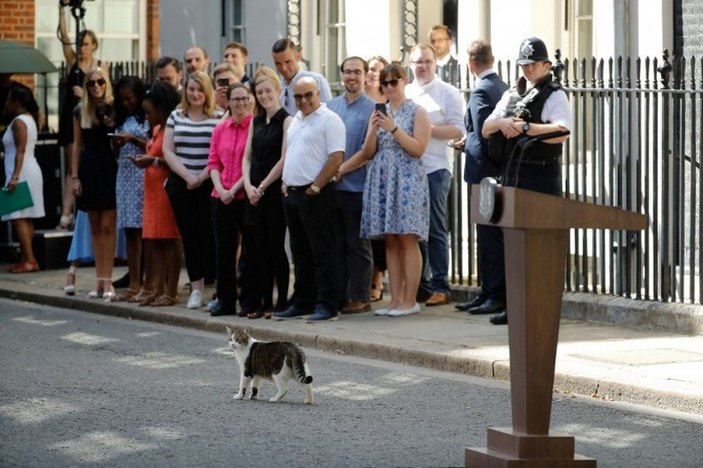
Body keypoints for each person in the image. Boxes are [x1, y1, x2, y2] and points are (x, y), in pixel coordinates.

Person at [481, 36, 572, 325]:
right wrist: (503, 123)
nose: (527, 70)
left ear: (546, 65)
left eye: (533, 64)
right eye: (524, 64)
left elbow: (562, 132)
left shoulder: (555, 94)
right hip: (515, 176)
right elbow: (485, 128)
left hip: (541, 177)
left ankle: (538, 310)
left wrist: (525, 127)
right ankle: (517, 307)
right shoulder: (513, 93)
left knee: (540, 248)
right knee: (515, 247)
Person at [351, 63, 431, 317]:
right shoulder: (379, 112)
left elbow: (418, 149)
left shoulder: (417, 111)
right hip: (383, 176)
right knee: (391, 238)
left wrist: (394, 128)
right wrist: (374, 130)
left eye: (393, 82)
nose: (388, 87)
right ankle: (395, 299)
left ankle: (410, 299)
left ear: (404, 81)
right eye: (383, 83)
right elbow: (368, 151)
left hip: (407, 177)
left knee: (407, 236)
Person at [273, 77, 345, 322]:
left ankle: (327, 305)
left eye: (308, 95)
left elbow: (336, 157)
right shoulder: (296, 121)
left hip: (316, 194)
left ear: (318, 94)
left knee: (323, 252)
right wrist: (285, 182)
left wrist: (316, 186)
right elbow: (292, 154)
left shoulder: (330, 119)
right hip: (293, 194)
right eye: (298, 97)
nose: (303, 101)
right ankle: (303, 301)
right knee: (300, 252)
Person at [405, 43, 465, 307]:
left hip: (436, 168)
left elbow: (458, 130)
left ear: (435, 63)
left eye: (427, 61)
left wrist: (425, 129)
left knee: (435, 227)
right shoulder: (405, 92)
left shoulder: (448, 93)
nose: (422, 66)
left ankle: (441, 285)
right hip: (408, 170)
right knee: (414, 230)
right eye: (418, 62)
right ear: (410, 64)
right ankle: (422, 284)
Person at [454, 40, 509, 316]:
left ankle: (494, 293)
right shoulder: (503, 86)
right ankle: (488, 291)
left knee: (488, 236)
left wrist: (467, 143)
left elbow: (483, 133)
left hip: (483, 170)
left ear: (471, 63)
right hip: (498, 169)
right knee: (492, 234)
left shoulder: (480, 92)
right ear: (492, 58)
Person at [163, 70, 222, 310]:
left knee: (211, 236)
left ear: (207, 91)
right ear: (185, 91)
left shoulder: (218, 116)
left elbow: (220, 152)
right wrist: (188, 176)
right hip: (182, 182)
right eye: (191, 89)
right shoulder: (176, 115)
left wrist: (202, 176)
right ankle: (196, 289)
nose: (195, 94)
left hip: (210, 182)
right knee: (190, 237)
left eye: (200, 89)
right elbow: (168, 150)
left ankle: (217, 289)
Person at [242, 67, 292, 319]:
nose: (263, 96)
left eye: (267, 91)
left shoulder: (287, 120)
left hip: (273, 192)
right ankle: (263, 301)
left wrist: (262, 186)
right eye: (259, 92)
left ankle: (281, 300)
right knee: (258, 249)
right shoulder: (255, 121)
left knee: (275, 247)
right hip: (254, 194)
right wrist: (249, 185)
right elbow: (247, 157)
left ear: (278, 91)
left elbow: (284, 159)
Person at [128, 81, 182, 307]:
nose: (147, 116)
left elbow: (174, 161)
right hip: (151, 191)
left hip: (165, 190)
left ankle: (171, 291)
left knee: (170, 241)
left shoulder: (173, 128)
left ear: (162, 109)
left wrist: (153, 160)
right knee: (154, 242)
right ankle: (156, 287)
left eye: (150, 112)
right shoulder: (158, 129)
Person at [328, 57, 375, 314]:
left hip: (356, 188)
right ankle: (339, 295)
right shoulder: (331, 106)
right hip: (331, 189)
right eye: (347, 72)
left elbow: (366, 151)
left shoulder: (372, 109)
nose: (352, 76)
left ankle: (360, 297)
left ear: (366, 75)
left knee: (357, 245)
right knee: (335, 246)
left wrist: (339, 171)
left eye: (357, 72)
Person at [57, 2, 106, 230]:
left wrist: (84, 92)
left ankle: (85, 212)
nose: (81, 48)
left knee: (90, 161)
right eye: (80, 44)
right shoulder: (72, 61)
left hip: (91, 116)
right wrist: (62, 11)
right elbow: (64, 36)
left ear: (94, 46)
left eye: (85, 44)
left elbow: (105, 91)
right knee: (72, 166)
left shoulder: (99, 66)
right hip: (72, 115)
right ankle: (66, 213)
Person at [70, 68, 117, 301]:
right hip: (89, 168)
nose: (96, 86)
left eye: (101, 82)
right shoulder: (80, 111)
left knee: (109, 225)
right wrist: (74, 177)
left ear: (106, 83)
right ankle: (99, 280)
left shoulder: (114, 108)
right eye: (91, 83)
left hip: (110, 168)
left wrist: (111, 121)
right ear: (86, 87)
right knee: (95, 226)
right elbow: (77, 146)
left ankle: (108, 280)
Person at [207, 83, 254, 317]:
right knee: (223, 252)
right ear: (228, 102)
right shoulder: (220, 129)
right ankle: (225, 300)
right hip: (220, 196)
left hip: (243, 195)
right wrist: (220, 188)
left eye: (244, 98)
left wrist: (233, 189)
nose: (240, 103)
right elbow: (213, 162)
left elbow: (251, 163)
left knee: (247, 252)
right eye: (235, 99)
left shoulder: (254, 126)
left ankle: (246, 300)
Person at [112, 76, 149, 300]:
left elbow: (155, 146)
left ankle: (142, 283)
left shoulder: (147, 116)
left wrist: (133, 139)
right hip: (124, 175)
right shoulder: (122, 117)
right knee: (129, 230)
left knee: (143, 231)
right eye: (122, 100)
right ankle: (133, 281)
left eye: (130, 98)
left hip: (143, 175)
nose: (126, 103)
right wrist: (116, 143)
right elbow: (116, 154)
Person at [2, 87, 44, 273]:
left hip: (20, 172)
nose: (6, 103)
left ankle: (30, 259)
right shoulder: (30, 119)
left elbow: (20, 150)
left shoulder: (19, 122)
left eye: (9, 100)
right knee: (24, 217)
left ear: (17, 102)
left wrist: (15, 177)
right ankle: (27, 258)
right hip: (26, 170)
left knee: (18, 217)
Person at [364, 55, 390, 302]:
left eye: (378, 70)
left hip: (383, 167)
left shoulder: (388, 101)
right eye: (370, 69)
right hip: (361, 167)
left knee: (382, 230)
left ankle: (377, 279)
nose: (373, 73)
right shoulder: (360, 100)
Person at [271, 38, 333, 116]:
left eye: (288, 62)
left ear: (298, 57)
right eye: (278, 64)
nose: (284, 68)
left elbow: (329, 113)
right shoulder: (277, 87)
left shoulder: (316, 80)